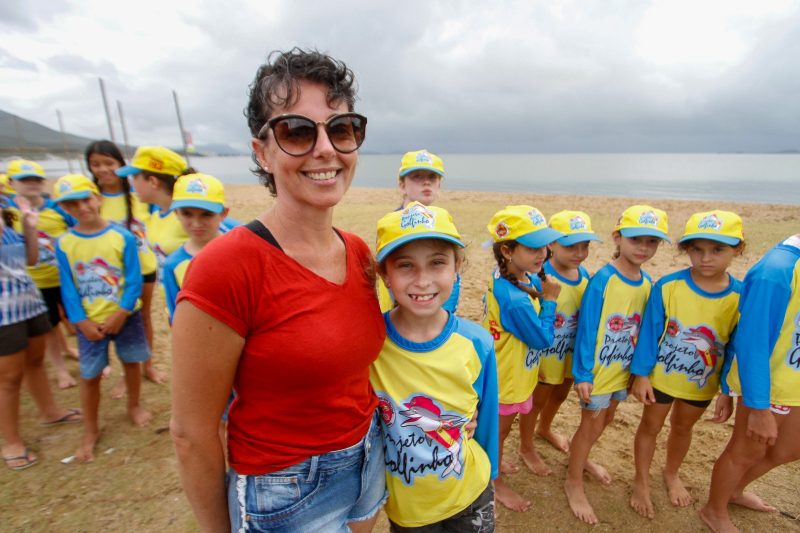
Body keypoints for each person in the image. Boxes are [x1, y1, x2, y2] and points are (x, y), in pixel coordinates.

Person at [170, 48, 385, 533]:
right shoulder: (225, 268)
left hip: (367, 460)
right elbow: (191, 433)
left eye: (342, 129)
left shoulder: (357, 252)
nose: (325, 149)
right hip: (284, 491)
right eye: (297, 131)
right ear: (262, 152)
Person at [371, 202, 499, 531]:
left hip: (471, 492)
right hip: (409, 508)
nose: (423, 280)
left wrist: (493, 473)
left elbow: (486, 419)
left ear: (457, 268)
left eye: (437, 263)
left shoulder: (477, 342)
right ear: (384, 274)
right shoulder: (369, 343)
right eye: (406, 265)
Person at [629, 210, 744, 518]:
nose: (706, 258)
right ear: (686, 250)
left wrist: (727, 390)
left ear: (738, 249)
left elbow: (734, 346)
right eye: (697, 249)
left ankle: (671, 472)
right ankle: (641, 480)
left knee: (683, 427)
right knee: (650, 426)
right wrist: (641, 375)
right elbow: (649, 333)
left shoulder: (739, 296)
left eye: (717, 249)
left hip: (702, 381)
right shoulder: (668, 286)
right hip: (661, 378)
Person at [565, 204, 669, 525]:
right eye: (636, 239)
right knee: (591, 425)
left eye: (652, 242)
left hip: (622, 371)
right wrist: (583, 374)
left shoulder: (648, 283)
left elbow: (646, 332)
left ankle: (580, 459)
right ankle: (573, 481)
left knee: (606, 419)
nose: (643, 248)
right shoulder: (603, 280)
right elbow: (587, 329)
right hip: (597, 373)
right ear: (617, 237)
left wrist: (638, 373)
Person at [700, 233, 800, 533]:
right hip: (769, 386)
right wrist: (758, 407)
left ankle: (734, 491)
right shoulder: (778, 270)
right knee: (746, 450)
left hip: (793, 380)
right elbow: (751, 341)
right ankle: (714, 509)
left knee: (789, 449)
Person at [53, 174, 151, 463]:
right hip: (89, 323)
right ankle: (90, 429)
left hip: (126, 316)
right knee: (89, 375)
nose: (82, 207)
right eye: (72, 204)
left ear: (96, 197)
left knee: (131, 362)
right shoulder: (64, 243)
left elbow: (133, 279)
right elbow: (67, 287)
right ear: (64, 208)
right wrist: (80, 322)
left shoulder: (122, 236)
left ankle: (133, 405)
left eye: (85, 199)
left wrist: (121, 312)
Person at [482, 205, 563, 512]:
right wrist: (550, 301)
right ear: (507, 251)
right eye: (532, 248)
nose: (542, 253)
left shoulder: (512, 278)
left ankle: (496, 460)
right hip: (508, 377)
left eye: (543, 246)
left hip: (511, 368)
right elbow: (542, 339)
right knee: (499, 431)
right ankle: (494, 481)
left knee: (500, 431)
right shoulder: (515, 298)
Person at [1, 196, 81, 471]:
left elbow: (31, 259)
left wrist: (29, 225)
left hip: (28, 303)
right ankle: (11, 442)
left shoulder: (8, 224)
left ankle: (50, 412)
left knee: (36, 361)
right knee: (9, 377)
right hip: (3, 314)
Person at [85, 140, 163, 386]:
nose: (103, 169)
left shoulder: (141, 195)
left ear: (120, 163)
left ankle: (147, 366)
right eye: (95, 164)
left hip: (144, 269)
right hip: (110, 276)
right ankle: (124, 372)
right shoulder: (91, 200)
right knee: (111, 320)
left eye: (109, 163)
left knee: (143, 318)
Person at [524, 210, 600, 457]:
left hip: (569, 351)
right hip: (545, 354)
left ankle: (544, 428)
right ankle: (526, 446)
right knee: (537, 400)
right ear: (551, 244)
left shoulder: (584, 276)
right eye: (571, 246)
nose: (579, 253)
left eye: (584, 246)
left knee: (560, 394)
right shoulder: (540, 276)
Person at [6, 159, 78, 389]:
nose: (31, 184)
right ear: (11, 183)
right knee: (50, 327)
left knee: (76, 318)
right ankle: (60, 370)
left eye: (36, 179)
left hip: (66, 278)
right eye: (25, 180)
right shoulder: (8, 213)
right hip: (34, 283)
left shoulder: (58, 208)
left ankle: (87, 358)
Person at [378, 149, 460, 314]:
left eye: (432, 177)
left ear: (439, 184)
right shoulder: (391, 227)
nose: (426, 182)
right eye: (417, 177)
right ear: (402, 186)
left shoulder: (441, 223)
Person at [162, 172, 230, 321]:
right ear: (176, 213)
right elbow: (177, 316)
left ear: (223, 213)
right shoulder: (173, 265)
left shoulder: (240, 251)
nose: (196, 223)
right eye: (187, 214)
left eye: (206, 214)